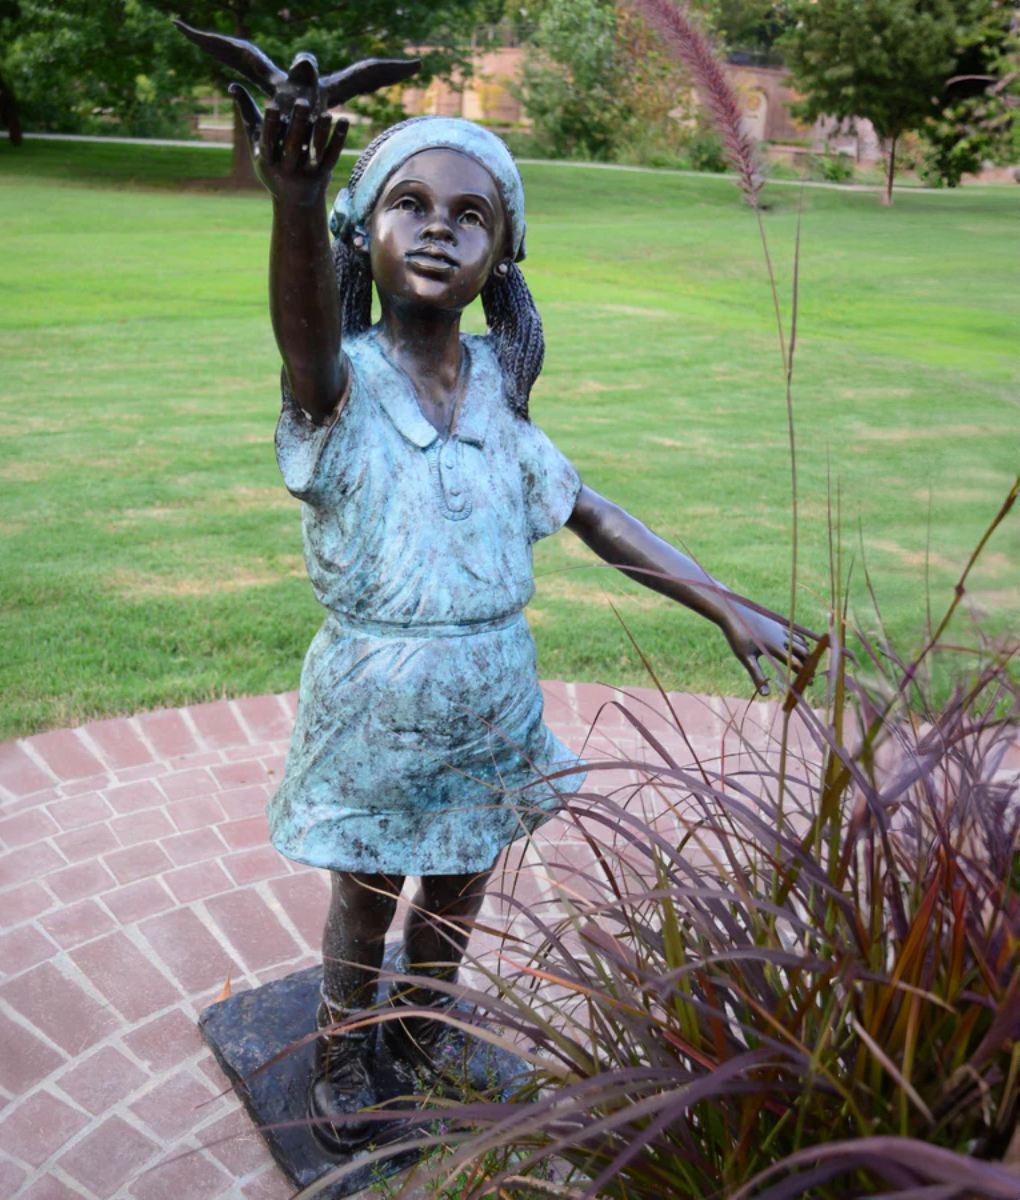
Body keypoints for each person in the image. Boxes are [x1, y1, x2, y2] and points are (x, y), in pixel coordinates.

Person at [232, 96, 808, 1151]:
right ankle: (346, 1046)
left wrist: (721, 600)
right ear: (366, 234)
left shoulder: (499, 388)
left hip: (491, 693)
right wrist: (301, 202)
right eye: (409, 205)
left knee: (459, 883)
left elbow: (592, 512)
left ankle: (422, 1028)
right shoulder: (340, 388)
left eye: (470, 213)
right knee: (367, 896)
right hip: (377, 698)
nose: (441, 226)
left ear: (503, 252)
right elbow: (305, 337)